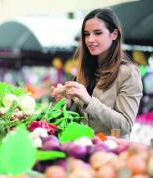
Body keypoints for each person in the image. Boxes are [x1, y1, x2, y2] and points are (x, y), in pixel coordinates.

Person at [51, 8, 143, 138]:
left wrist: (88, 100)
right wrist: (67, 104)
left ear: (114, 34)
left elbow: (125, 125)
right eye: (87, 34)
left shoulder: (128, 73)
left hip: (109, 152)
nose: (90, 39)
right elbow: (81, 118)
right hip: (82, 147)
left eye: (98, 33)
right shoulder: (85, 70)